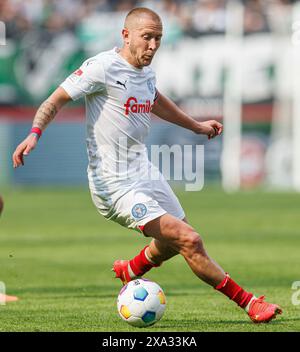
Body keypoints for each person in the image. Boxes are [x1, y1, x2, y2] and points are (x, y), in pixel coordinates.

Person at [12, 7, 282, 323]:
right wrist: (34, 133)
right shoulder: (102, 67)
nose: (153, 46)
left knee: (171, 242)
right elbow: (55, 99)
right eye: (147, 37)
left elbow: (153, 98)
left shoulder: (145, 72)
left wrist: (195, 125)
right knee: (189, 239)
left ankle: (133, 268)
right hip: (113, 184)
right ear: (125, 35)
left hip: (143, 171)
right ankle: (249, 303)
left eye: (158, 38)